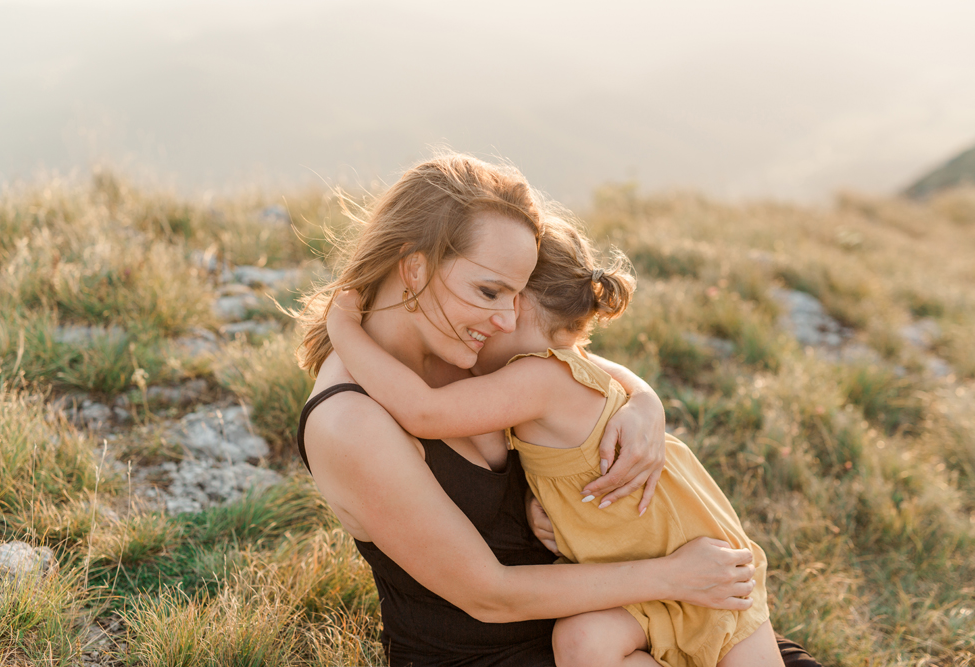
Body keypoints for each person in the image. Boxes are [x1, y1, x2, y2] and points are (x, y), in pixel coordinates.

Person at [296, 153, 822, 667]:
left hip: (623, 612)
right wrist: (674, 575)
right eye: (489, 291)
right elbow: (489, 595)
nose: (506, 320)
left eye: (515, 297)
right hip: (507, 651)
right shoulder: (351, 422)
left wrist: (645, 402)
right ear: (414, 267)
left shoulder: (466, 345)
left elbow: (571, 364)